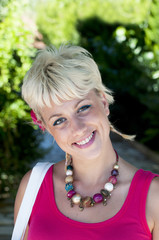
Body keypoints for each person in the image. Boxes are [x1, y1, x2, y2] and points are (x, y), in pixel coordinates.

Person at [14, 44, 159, 239]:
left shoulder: (154, 196)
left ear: (104, 103)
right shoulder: (32, 187)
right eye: (59, 120)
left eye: (82, 108)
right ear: (48, 129)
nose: (78, 128)